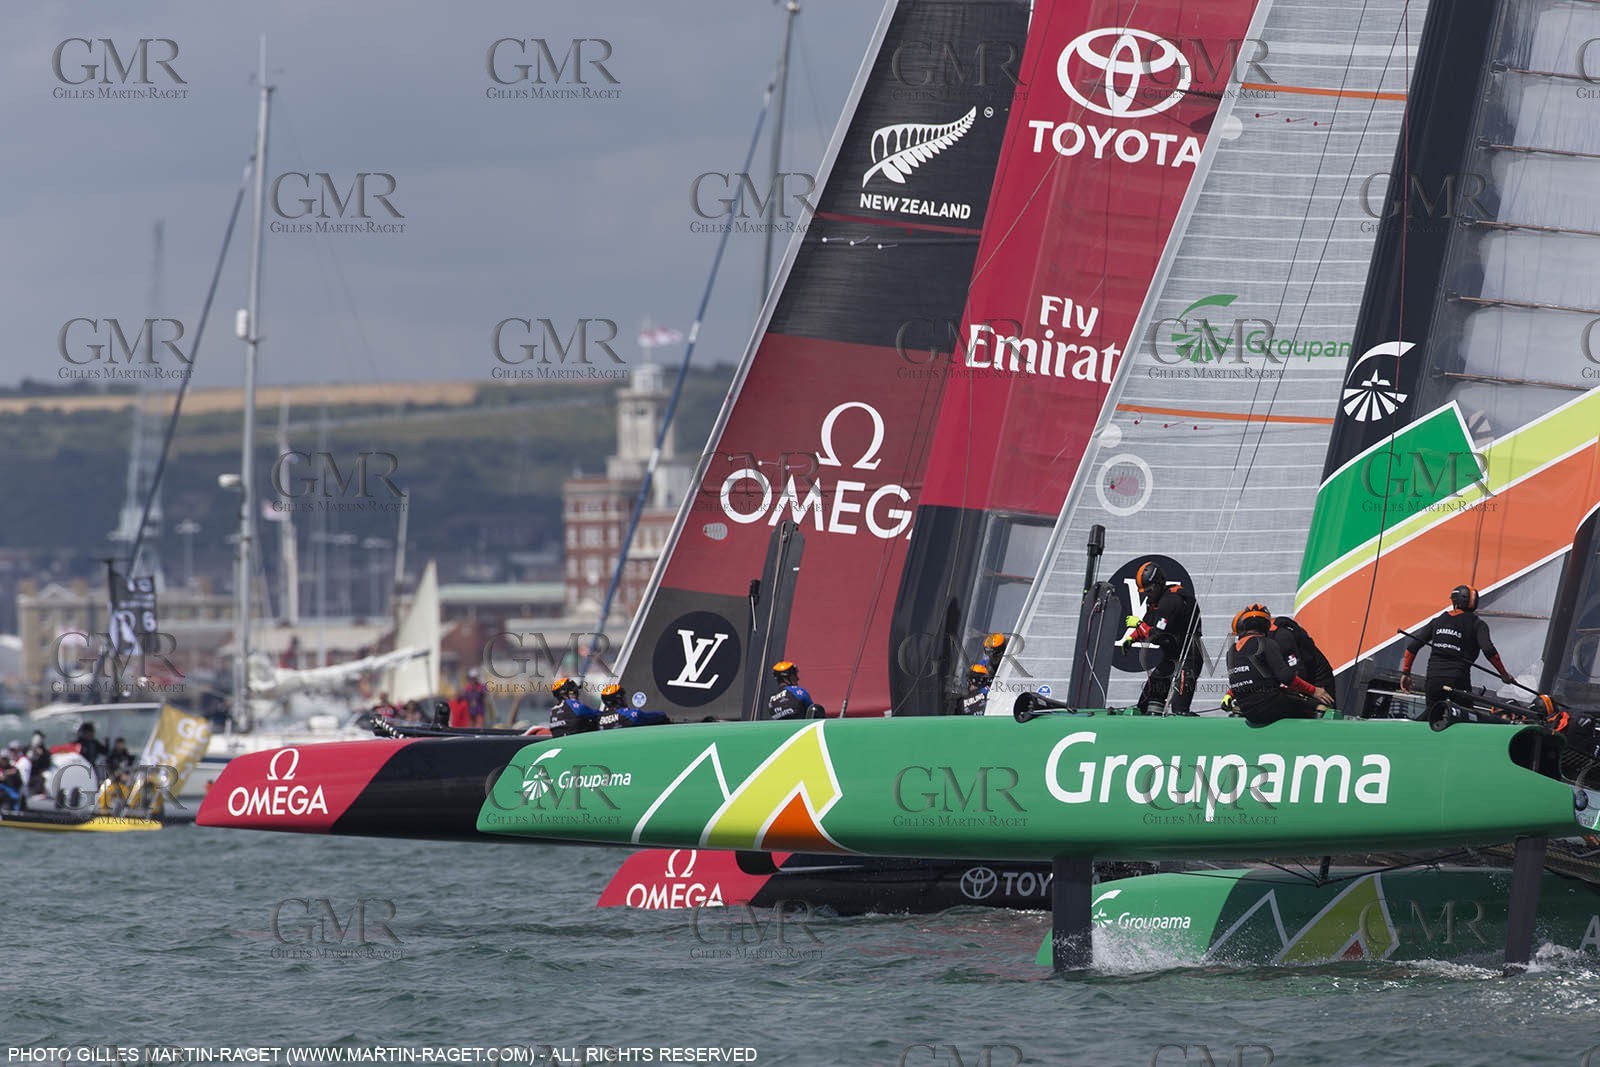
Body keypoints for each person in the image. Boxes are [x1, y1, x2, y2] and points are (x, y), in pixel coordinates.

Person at [1401, 585, 1515, 716]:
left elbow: (1412, 648)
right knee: (1466, 718)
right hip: (1458, 680)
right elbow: (1489, 651)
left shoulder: (1437, 621)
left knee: (1432, 718)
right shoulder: (1477, 624)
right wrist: (1504, 674)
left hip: (1434, 680)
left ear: (1454, 601)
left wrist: (1406, 673)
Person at [1226, 605, 1335, 724]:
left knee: (1315, 702)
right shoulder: (1263, 643)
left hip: (1314, 677)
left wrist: (1313, 691)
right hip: (1273, 698)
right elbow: (1257, 674)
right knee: (1315, 705)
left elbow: (1296, 672)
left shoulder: (1278, 638)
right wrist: (1230, 694)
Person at [1119, 561, 1203, 715]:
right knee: (1147, 700)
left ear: (1158, 584)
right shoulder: (1155, 603)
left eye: (1149, 590)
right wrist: (1132, 638)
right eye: (1144, 592)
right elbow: (1148, 623)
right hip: (1171, 658)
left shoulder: (1171, 601)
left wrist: (1138, 624)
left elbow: (1157, 635)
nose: (1147, 594)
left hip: (1188, 658)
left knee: (1179, 709)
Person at [597, 684, 670, 729]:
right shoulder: (631, 715)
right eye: (624, 697)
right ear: (619, 700)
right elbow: (658, 716)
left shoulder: (599, 719)